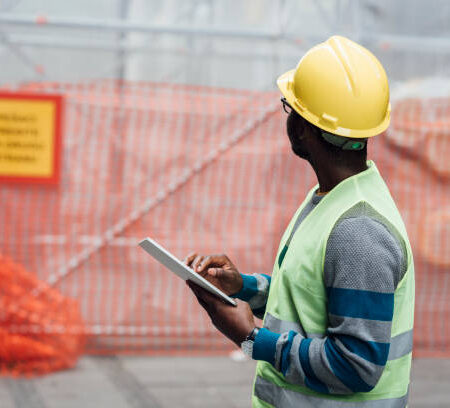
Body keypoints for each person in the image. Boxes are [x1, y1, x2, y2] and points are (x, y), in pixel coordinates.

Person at [184, 35, 414, 408]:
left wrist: (249, 337)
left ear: (304, 128)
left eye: (290, 108)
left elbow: (356, 366)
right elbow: (314, 296)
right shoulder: (332, 197)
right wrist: (243, 287)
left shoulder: (358, 231)